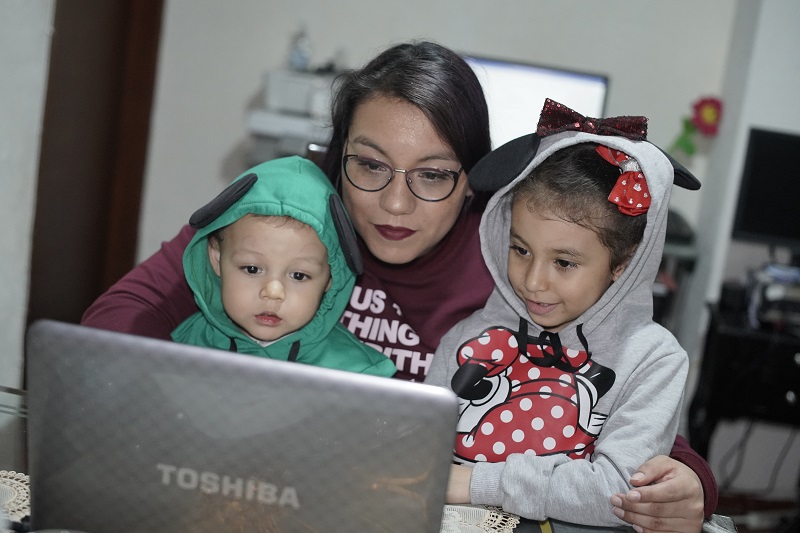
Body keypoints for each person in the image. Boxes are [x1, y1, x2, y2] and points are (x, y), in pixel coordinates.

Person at [81, 41, 715, 531]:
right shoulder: (283, 226)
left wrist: (690, 483)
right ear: (336, 159)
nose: (395, 202)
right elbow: (123, 316)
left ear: (475, 182)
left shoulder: (513, 270)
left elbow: (616, 406)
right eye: (370, 165)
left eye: (432, 175)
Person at [426, 98, 693, 528]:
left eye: (564, 262)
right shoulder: (467, 339)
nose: (533, 281)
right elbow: (415, 451)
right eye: (520, 250)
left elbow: (619, 492)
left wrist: (473, 483)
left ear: (622, 265)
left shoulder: (653, 361)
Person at [170, 155, 396, 377]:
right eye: (252, 269)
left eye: (299, 275)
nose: (273, 292)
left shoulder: (357, 377)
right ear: (216, 259)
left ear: (330, 280)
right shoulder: (184, 346)